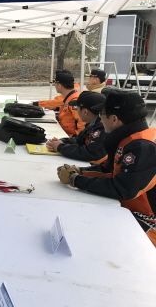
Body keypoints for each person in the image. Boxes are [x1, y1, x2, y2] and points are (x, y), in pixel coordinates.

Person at [56, 91, 156, 247]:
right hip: (128, 209)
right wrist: (79, 171)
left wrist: (75, 180)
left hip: (147, 222)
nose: (100, 119)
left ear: (114, 119)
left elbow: (123, 189)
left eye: (101, 114)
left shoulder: (142, 146)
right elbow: (111, 170)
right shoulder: (131, 138)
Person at [46, 91, 107, 163]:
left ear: (85, 112)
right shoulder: (94, 123)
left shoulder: (103, 127)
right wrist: (61, 142)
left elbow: (90, 153)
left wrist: (60, 147)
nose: (77, 112)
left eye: (77, 109)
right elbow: (79, 140)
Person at [50, 72, 85, 137]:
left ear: (60, 86)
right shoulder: (70, 97)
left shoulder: (74, 100)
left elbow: (82, 121)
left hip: (72, 136)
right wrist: (57, 108)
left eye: (55, 84)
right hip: (66, 133)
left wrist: (77, 138)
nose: (55, 86)